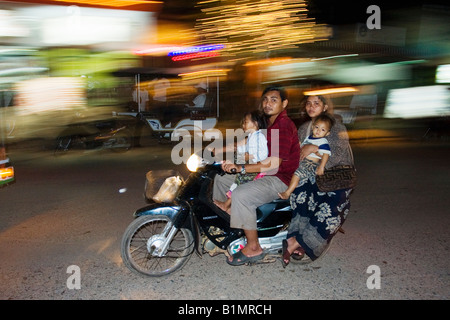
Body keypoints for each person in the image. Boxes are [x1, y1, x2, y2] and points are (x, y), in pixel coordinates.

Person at [212, 86, 300, 266]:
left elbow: (273, 163)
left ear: (284, 103)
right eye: (265, 99)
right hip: (265, 173)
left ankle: (253, 247)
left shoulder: (283, 126)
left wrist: (241, 168)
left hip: (280, 179)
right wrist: (220, 149)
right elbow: (247, 142)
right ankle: (230, 227)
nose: (268, 103)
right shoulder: (269, 124)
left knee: (240, 194)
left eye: (274, 100)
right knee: (221, 180)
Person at [281, 95, 355, 268]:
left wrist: (314, 147)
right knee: (299, 191)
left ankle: (307, 243)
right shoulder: (304, 128)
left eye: (316, 103)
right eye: (308, 103)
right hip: (310, 172)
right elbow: (296, 152)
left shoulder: (336, 126)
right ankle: (294, 239)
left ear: (324, 107)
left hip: (334, 175)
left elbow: (338, 153)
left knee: (332, 203)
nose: (311, 106)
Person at [214, 110, 269, 213]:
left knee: (240, 185)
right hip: (248, 166)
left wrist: (250, 156)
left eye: (245, 122)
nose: (243, 125)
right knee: (236, 182)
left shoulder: (260, 137)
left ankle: (226, 205)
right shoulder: (250, 137)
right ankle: (229, 209)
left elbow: (263, 154)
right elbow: (240, 149)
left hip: (254, 170)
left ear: (255, 123)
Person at [278, 113, 334, 200]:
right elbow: (301, 147)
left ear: (327, 133)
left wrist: (322, 167)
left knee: (298, 173)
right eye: (317, 127)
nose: (318, 131)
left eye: (323, 130)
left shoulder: (323, 141)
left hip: (311, 164)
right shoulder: (308, 138)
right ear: (313, 127)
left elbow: (326, 154)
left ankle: (287, 193)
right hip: (302, 161)